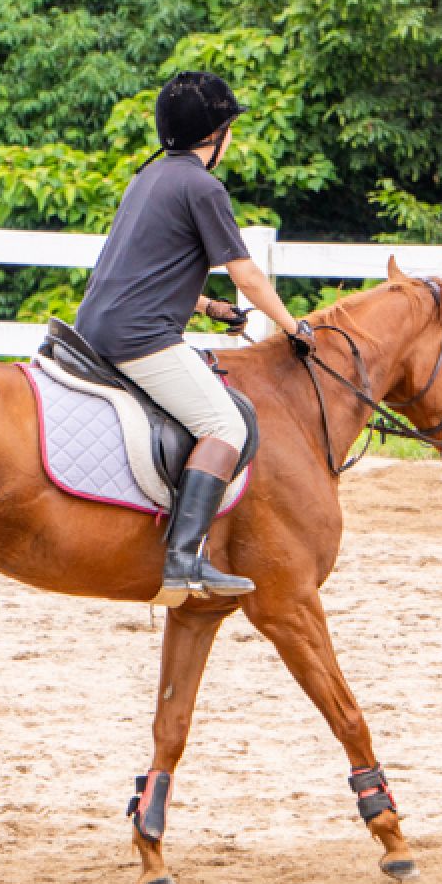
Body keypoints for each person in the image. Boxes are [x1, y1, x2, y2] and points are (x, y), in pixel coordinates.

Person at [73, 70, 314, 602]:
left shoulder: (149, 177)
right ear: (217, 134)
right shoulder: (204, 186)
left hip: (95, 325)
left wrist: (204, 304)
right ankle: (183, 559)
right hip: (138, 339)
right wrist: (294, 326)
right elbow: (247, 273)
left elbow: (144, 267)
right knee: (225, 423)